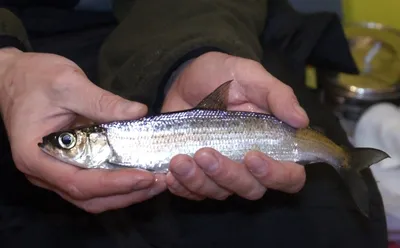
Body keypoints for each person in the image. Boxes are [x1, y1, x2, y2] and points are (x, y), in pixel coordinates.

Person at [0, 1, 388, 248]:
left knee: (332, 228)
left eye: (68, 142)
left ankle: (344, 160)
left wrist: (193, 55)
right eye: (69, 142)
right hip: (26, 49)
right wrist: (6, 66)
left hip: (202, 18)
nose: (64, 145)